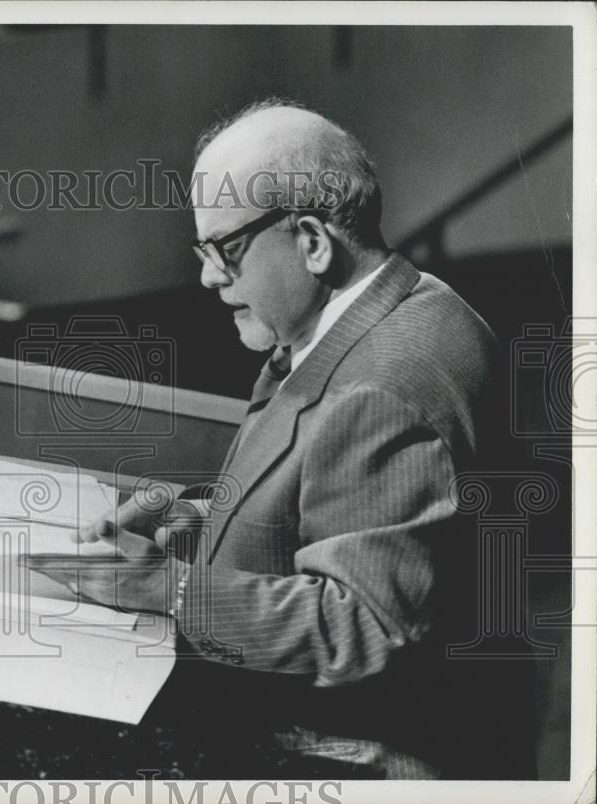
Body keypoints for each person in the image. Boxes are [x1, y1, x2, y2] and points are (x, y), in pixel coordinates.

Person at [33, 98, 534, 779]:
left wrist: (168, 591)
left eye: (226, 250)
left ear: (312, 241)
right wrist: (195, 521)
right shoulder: (409, 305)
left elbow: (363, 626)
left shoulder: (382, 388)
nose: (209, 276)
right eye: (202, 250)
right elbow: (335, 510)